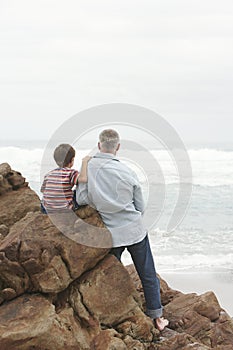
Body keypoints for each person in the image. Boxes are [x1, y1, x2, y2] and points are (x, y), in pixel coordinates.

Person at [76, 129, 169, 331]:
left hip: (111, 234)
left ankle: (107, 316)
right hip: (134, 230)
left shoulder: (88, 168)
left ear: (99, 145)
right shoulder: (128, 172)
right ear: (117, 147)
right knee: (147, 274)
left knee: (109, 276)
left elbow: (81, 199)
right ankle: (157, 317)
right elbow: (140, 207)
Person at [41, 143, 91, 213]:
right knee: (78, 193)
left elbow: (43, 190)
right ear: (72, 160)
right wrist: (84, 162)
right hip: (64, 210)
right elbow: (83, 179)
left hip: (47, 210)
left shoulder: (48, 174)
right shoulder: (70, 173)